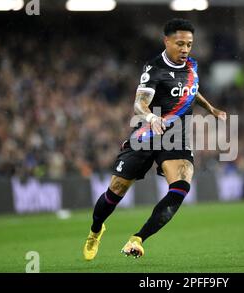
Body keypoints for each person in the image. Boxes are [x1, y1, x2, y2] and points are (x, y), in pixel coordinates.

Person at [83, 18, 226, 260]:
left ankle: (137, 239)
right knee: (116, 190)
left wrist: (210, 108)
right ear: (166, 41)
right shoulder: (154, 69)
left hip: (176, 138)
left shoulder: (192, 66)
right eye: (180, 44)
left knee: (180, 187)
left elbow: (191, 89)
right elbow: (139, 103)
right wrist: (151, 118)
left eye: (189, 44)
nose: (185, 49)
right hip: (148, 133)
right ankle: (96, 230)